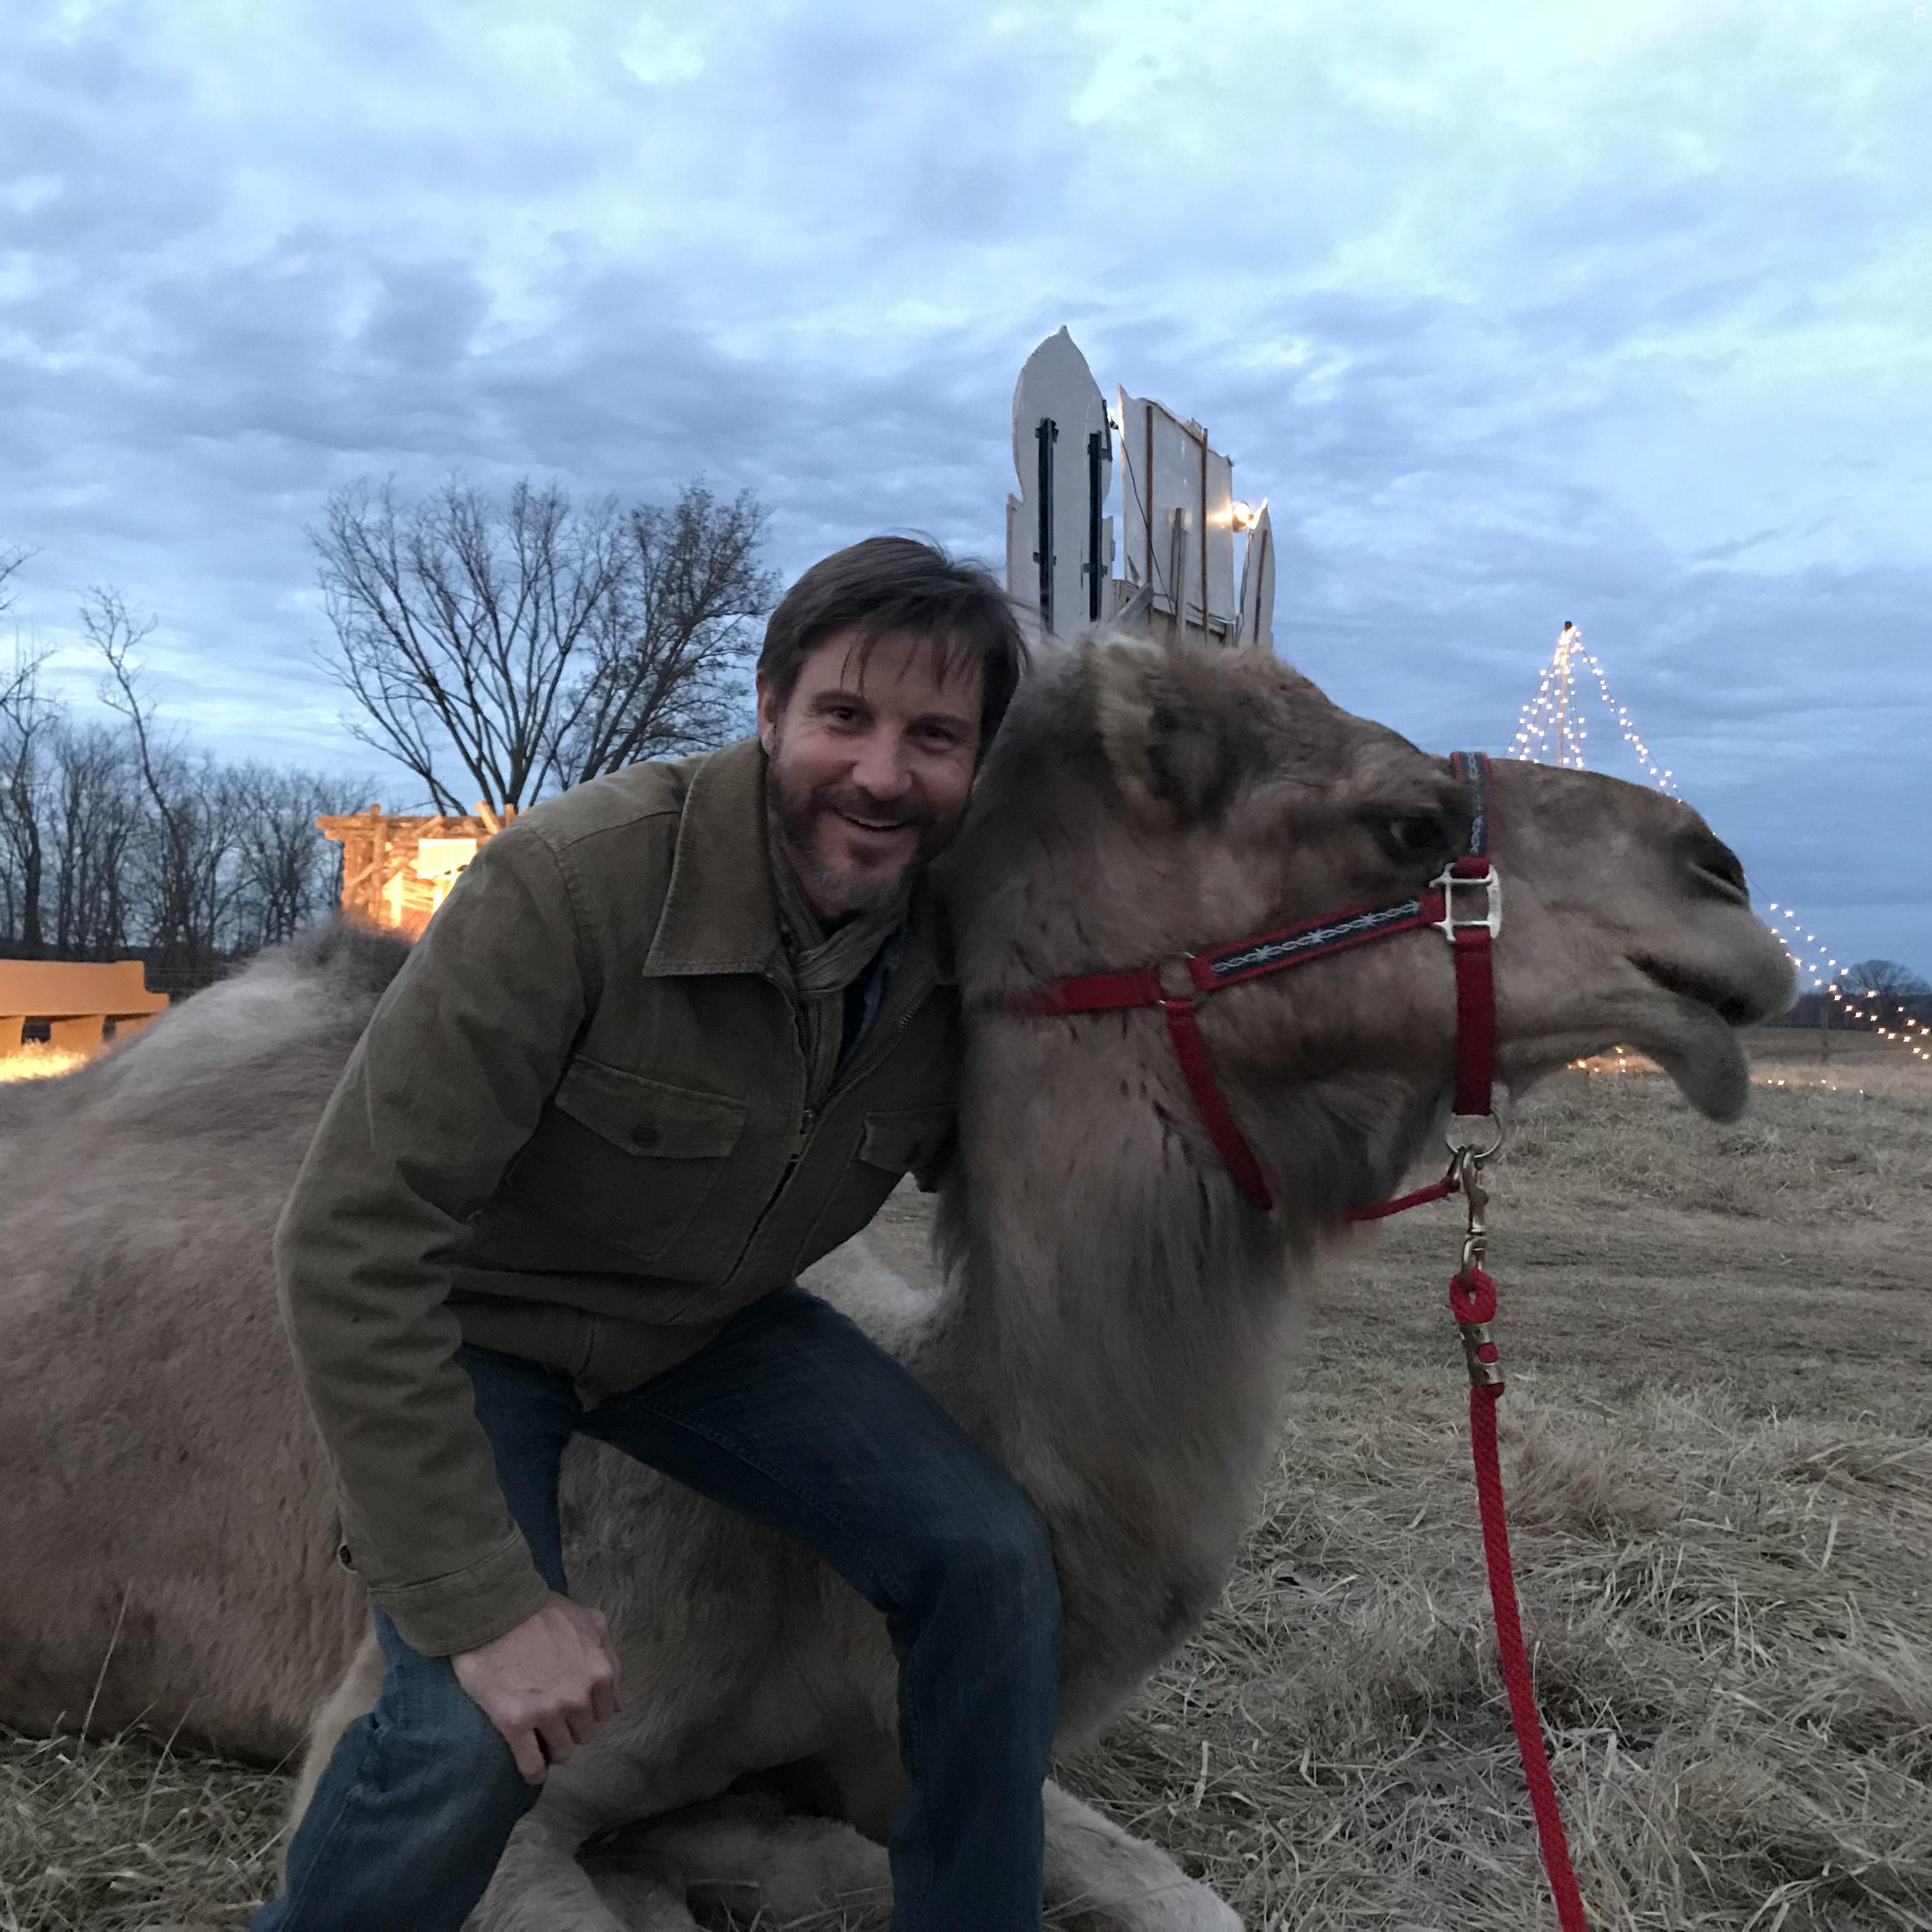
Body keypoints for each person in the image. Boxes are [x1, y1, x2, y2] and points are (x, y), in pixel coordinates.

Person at [253, 537, 1057, 1931]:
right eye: (845, 717)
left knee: (988, 1560)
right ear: (766, 711)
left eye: (936, 737)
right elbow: (350, 1240)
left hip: (707, 1328)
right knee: (466, 1725)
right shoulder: (570, 888)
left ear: (976, 765)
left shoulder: (959, 940)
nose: (881, 773)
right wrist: (488, 1607)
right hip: (487, 1325)